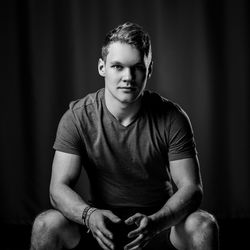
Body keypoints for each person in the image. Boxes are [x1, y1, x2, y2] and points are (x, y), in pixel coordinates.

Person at [30, 22, 219, 250]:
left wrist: (157, 222)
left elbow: (191, 188)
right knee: (45, 224)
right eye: (117, 67)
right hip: (101, 224)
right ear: (102, 67)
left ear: (149, 69)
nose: (128, 76)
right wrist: (89, 215)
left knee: (203, 225)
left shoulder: (172, 117)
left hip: (159, 224)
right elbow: (57, 188)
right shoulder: (77, 117)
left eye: (137, 67)